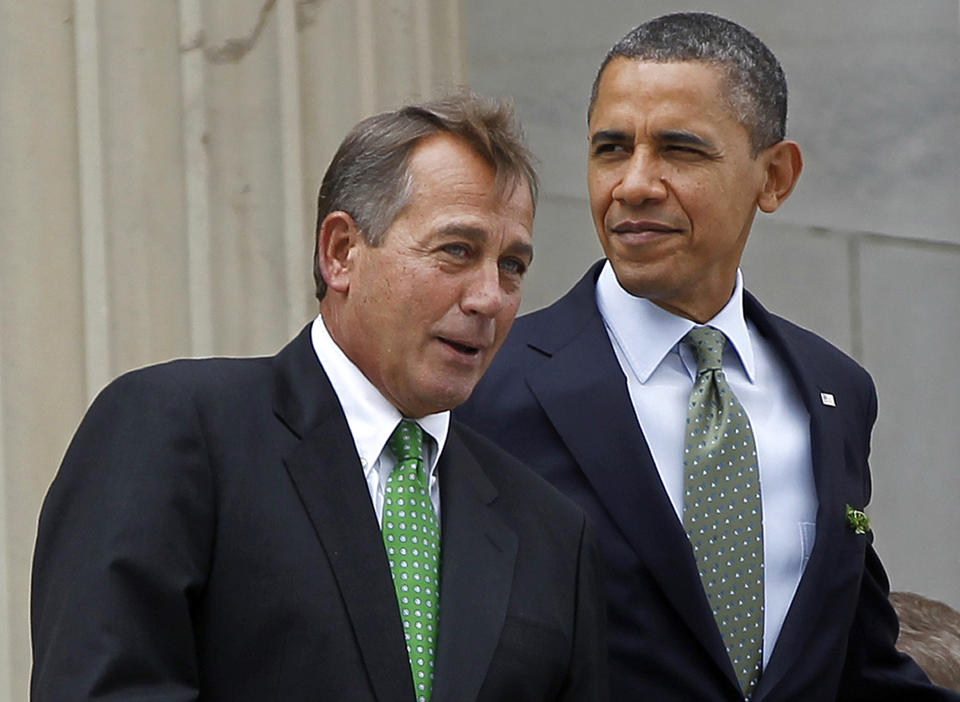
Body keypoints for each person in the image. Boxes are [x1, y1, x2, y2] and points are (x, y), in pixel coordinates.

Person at [31, 94, 607, 702]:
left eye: (512, 265)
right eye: (456, 251)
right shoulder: (178, 430)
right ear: (341, 253)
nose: (490, 297)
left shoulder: (551, 534)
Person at [457, 12, 959, 701]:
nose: (633, 184)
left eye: (679, 150)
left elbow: (858, 663)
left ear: (775, 177)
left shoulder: (835, 391)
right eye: (610, 149)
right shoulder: (485, 388)